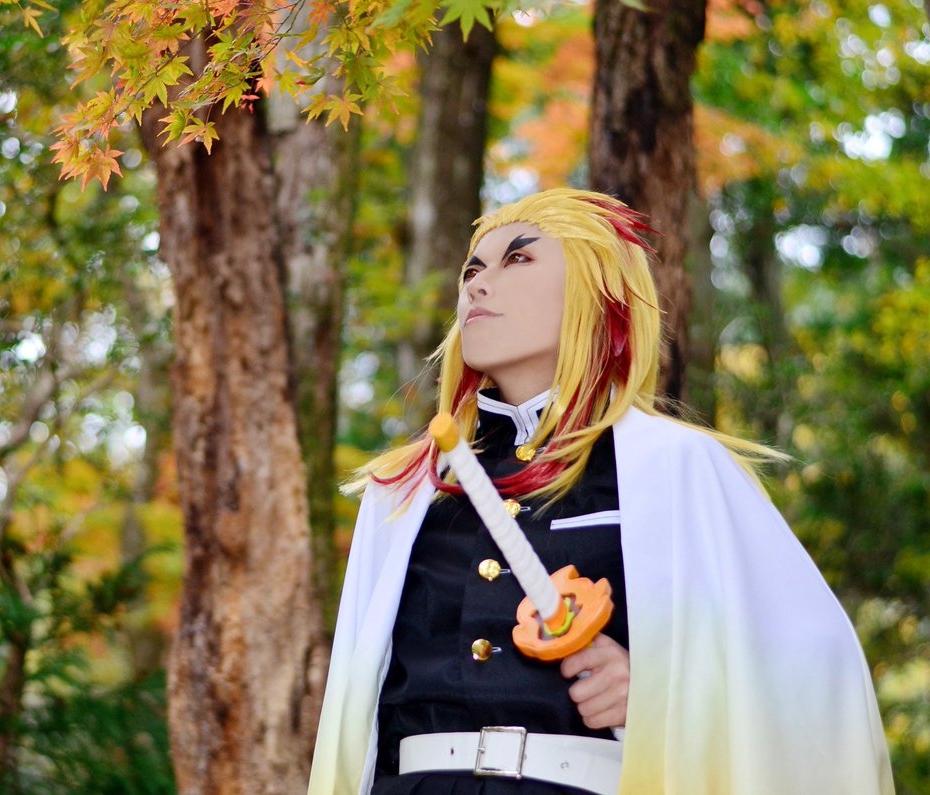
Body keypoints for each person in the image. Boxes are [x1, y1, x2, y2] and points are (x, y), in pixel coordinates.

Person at [307, 188, 894, 795]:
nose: (477, 285)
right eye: (472, 270)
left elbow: (815, 682)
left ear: (596, 292)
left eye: (518, 259)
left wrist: (660, 697)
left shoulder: (679, 471)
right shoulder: (406, 493)